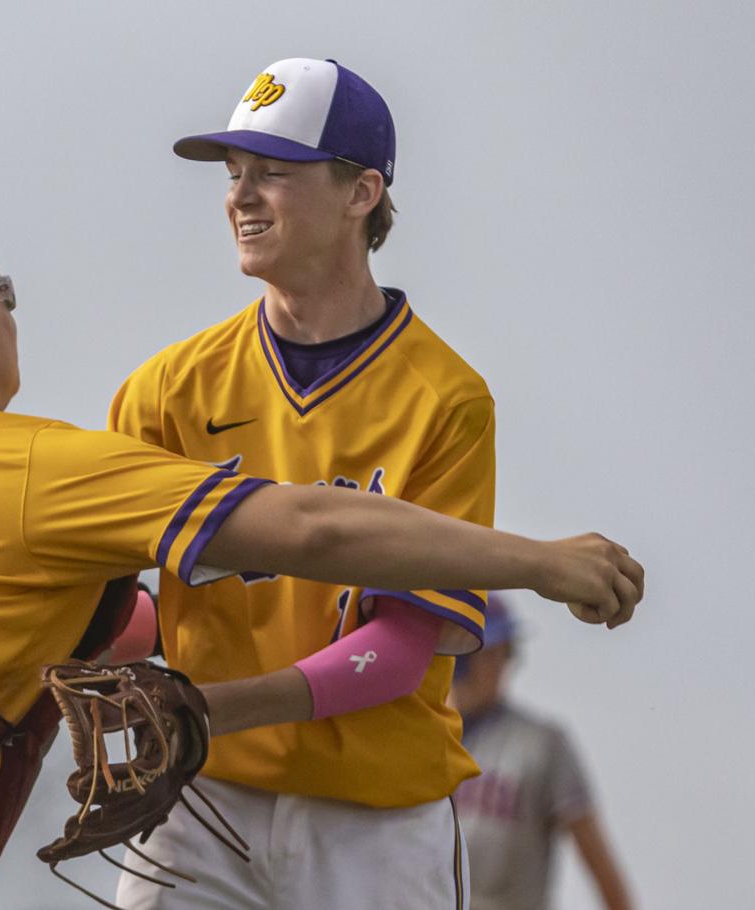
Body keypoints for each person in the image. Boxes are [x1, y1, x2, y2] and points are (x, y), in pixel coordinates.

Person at [0, 210, 641, 910]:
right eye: (7, 293)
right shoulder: (35, 466)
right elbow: (312, 531)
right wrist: (540, 562)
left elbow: (65, 624)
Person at [107, 57, 631, 909]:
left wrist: (211, 708)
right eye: (235, 174)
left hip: (374, 823)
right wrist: (83, 645)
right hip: (202, 799)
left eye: (273, 173)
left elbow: (403, 646)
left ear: (362, 194)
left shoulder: (445, 399)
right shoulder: (166, 390)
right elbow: (127, 606)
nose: (240, 196)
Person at [452, 597, 635, 910]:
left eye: (506, 653)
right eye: (488, 654)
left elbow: (596, 855)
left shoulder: (541, 742)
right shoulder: (420, 740)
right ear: (456, 658)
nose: (500, 666)